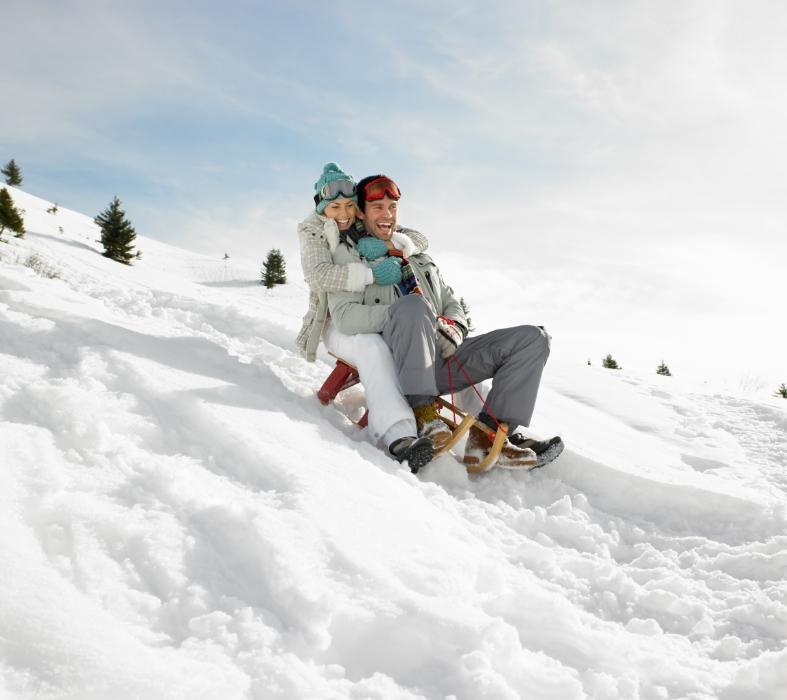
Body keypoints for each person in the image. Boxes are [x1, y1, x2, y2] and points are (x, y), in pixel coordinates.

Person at [327, 174, 564, 470]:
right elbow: (344, 317)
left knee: (533, 339)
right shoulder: (348, 255)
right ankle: (425, 417)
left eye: (392, 207)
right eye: (377, 207)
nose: (387, 215)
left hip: (441, 357)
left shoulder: (416, 255)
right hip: (400, 363)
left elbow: (451, 301)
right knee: (414, 305)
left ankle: (492, 435)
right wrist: (407, 315)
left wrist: (454, 327)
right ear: (360, 212)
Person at [296, 163, 437, 470]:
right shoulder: (314, 232)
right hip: (336, 321)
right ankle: (398, 435)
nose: (343, 213)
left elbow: (418, 238)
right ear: (322, 208)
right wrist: (371, 275)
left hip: (370, 315)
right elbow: (319, 276)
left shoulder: (360, 228)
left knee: (408, 343)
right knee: (372, 347)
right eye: (335, 207)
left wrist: (391, 244)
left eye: (349, 205)